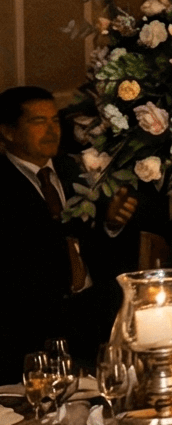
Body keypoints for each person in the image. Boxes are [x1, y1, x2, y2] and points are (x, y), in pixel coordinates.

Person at [1, 89, 127, 379]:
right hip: (31, 330)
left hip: (93, 317)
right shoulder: (4, 185)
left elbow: (95, 245)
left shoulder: (75, 171)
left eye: (55, 121)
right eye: (38, 122)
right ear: (8, 132)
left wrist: (111, 224)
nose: (51, 130)